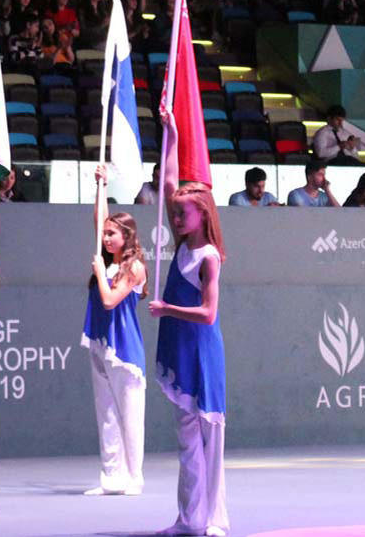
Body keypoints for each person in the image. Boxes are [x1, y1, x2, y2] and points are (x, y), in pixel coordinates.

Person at [150, 107, 228, 537]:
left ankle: (214, 520)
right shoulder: (180, 244)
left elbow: (208, 314)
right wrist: (173, 133)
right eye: (175, 213)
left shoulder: (209, 257)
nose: (176, 218)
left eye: (184, 213)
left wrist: (167, 310)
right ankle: (187, 519)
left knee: (209, 441)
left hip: (202, 353)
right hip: (180, 350)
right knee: (186, 444)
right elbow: (167, 185)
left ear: (203, 214)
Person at [82, 164, 147, 496]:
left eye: (112, 234)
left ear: (127, 237)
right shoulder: (107, 261)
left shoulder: (132, 267)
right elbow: (99, 218)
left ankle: (134, 477)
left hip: (125, 350)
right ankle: (111, 477)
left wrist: (98, 271)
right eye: (105, 234)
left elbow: (109, 301)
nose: (105, 238)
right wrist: (101, 185)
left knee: (129, 416)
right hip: (99, 341)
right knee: (106, 413)